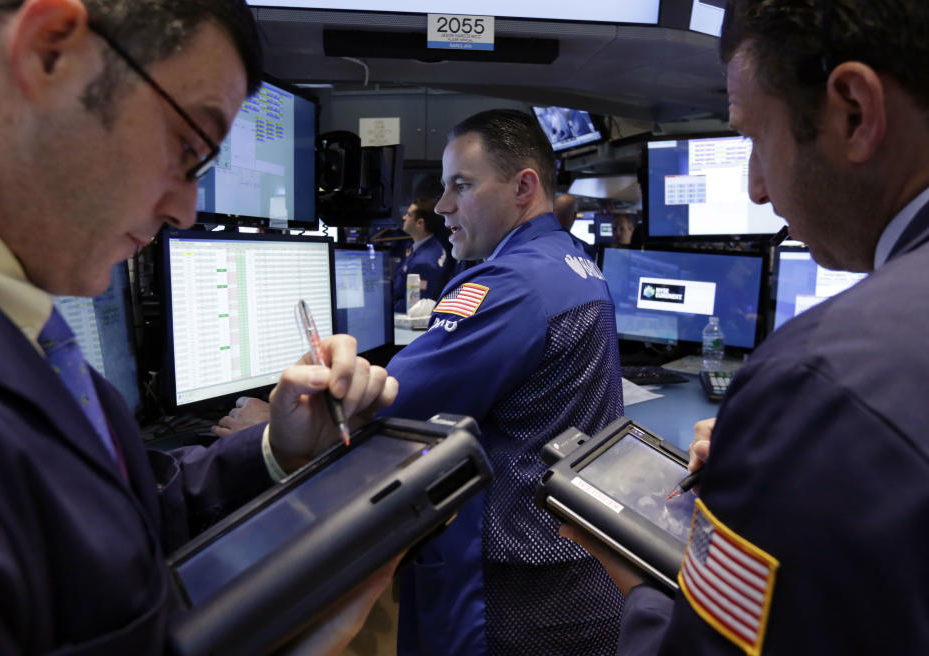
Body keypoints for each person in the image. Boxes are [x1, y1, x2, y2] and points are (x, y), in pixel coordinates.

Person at [0, 1, 398, 653]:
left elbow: (130, 518)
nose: (187, 211)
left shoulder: (33, 331)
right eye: (188, 148)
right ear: (49, 50)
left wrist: (278, 449)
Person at [566, 1, 929, 653]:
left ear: (853, 111)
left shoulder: (819, 377)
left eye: (755, 139)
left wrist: (638, 583)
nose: (758, 189)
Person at [382, 109, 626, 655]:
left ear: (523, 187)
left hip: (515, 588)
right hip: (567, 566)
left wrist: (275, 427)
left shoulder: (512, 284)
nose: (442, 206)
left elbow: (391, 404)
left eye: (460, 186)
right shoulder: (573, 261)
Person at [392, 197, 450, 312]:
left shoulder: (422, 263)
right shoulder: (434, 244)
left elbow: (414, 306)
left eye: (408, 215)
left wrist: (384, 305)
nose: (404, 218)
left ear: (419, 223)